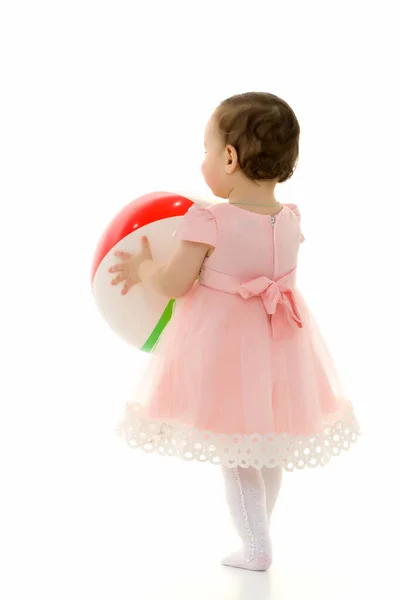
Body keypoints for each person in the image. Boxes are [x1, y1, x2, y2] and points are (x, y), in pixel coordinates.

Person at [109, 92, 360, 572]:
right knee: (267, 443)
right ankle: (258, 529)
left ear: (229, 157)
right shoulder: (290, 218)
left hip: (226, 345)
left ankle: (256, 548)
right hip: (283, 344)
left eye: (206, 150)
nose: (203, 159)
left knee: (237, 448)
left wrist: (143, 268)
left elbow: (174, 282)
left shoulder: (208, 219)